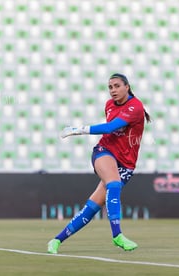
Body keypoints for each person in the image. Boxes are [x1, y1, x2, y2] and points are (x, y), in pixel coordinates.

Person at [47, 73, 151, 253]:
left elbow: (111, 127)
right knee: (114, 184)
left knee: (93, 206)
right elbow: (110, 133)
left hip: (126, 164)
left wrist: (78, 130)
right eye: (110, 87)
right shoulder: (109, 105)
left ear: (127, 86)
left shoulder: (136, 106)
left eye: (117, 86)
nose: (113, 90)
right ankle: (117, 235)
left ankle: (56, 240)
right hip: (104, 152)